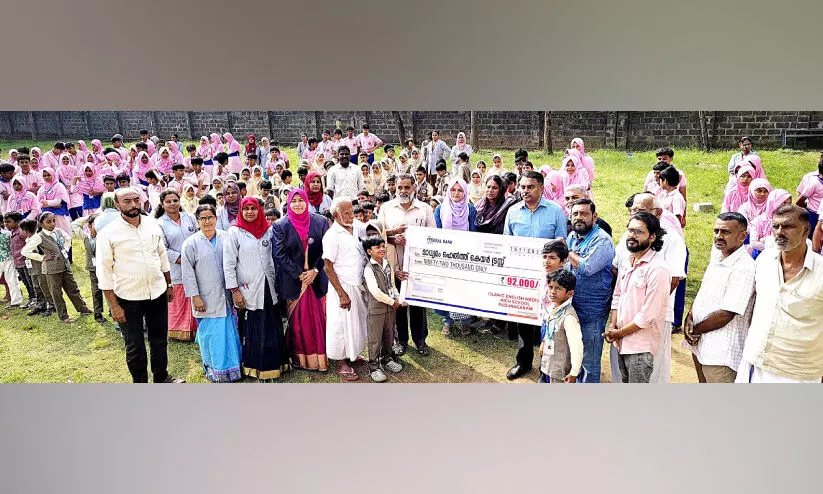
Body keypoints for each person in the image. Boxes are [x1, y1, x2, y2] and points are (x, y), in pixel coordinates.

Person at [96, 188, 183, 383]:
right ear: (117, 205)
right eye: (127, 201)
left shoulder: (152, 224)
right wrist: (114, 306)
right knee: (135, 345)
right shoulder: (108, 233)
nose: (133, 204)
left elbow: (162, 255)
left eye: (136, 199)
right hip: (128, 297)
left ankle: (161, 378)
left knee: (159, 340)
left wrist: (169, 284)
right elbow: (104, 271)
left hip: (157, 292)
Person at [736, 205, 823, 383]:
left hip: (798, 372)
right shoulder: (764, 260)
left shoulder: (820, 271)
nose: (780, 232)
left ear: (806, 230)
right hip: (756, 362)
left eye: (788, 226)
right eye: (776, 226)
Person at [503, 171, 568, 380]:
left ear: (541, 188)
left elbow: (562, 246)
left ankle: (545, 369)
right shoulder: (513, 211)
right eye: (522, 187)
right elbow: (506, 243)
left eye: (530, 187)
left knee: (548, 323)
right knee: (523, 319)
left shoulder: (556, 211)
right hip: (522, 277)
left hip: (549, 279)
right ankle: (523, 362)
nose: (525, 191)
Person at [683, 213, 756, 383]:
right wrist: (690, 316)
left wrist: (695, 331)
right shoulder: (717, 256)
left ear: (742, 236)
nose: (718, 236)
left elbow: (727, 314)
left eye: (726, 232)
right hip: (701, 346)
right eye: (716, 231)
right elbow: (703, 291)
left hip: (721, 353)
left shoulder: (744, 268)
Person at [224, 196, 287, 380]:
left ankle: (276, 364)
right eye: (246, 209)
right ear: (241, 211)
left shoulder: (268, 231)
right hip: (247, 288)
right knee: (253, 327)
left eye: (253, 208)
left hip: (268, 286)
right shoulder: (234, 232)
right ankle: (254, 366)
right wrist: (235, 291)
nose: (250, 212)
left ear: (259, 210)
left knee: (272, 325)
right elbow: (228, 264)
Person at [606, 212, 672, 383]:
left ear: (652, 237)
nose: (632, 235)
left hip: (640, 347)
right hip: (621, 342)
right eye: (630, 230)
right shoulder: (628, 262)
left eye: (639, 232)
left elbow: (648, 315)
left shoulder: (658, 269)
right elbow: (617, 296)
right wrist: (613, 325)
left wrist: (619, 332)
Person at [180, 204, 242, 383]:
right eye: (203, 218)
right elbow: (187, 273)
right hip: (205, 298)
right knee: (211, 335)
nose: (207, 221)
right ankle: (215, 369)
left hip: (227, 296)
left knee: (229, 333)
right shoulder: (190, 243)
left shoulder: (226, 237)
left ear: (216, 218)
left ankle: (234, 367)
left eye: (210, 217)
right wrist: (195, 296)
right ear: (197, 221)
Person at [378, 173, 436, 356]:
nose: (403, 191)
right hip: (395, 267)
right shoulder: (386, 208)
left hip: (417, 268)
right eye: (400, 187)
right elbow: (378, 236)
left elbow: (433, 237)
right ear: (395, 188)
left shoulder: (424, 209)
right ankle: (402, 340)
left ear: (414, 188)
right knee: (399, 306)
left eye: (407, 187)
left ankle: (420, 340)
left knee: (418, 306)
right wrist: (393, 239)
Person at [273, 188, 330, 372]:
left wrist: (315, 271)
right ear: (288, 203)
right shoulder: (280, 225)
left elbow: (327, 250)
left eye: (301, 200)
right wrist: (300, 274)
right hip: (294, 281)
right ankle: (300, 359)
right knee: (299, 322)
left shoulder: (320, 222)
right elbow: (279, 254)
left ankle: (322, 356)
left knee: (319, 319)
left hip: (316, 279)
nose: (298, 204)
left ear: (307, 201)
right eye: (294, 201)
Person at [565, 198, 615, 383]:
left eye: (584, 214)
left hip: (592, 309)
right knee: (574, 353)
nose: (579, 217)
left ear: (594, 216)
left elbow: (586, 268)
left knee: (589, 360)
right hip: (572, 305)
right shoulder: (572, 236)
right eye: (575, 214)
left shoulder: (602, 240)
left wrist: (567, 251)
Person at [323, 197, 369, 381]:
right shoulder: (331, 236)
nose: (351, 216)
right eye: (347, 213)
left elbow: (374, 230)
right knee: (340, 326)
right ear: (336, 215)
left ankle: (353, 354)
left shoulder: (355, 227)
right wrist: (341, 294)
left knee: (356, 322)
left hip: (357, 283)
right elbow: (327, 267)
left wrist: (393, 233)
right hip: (341, 287)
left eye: (352, 212)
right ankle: (341, 362)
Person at [21, 212, 92, 323]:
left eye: (54, 220)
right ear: (41, 224)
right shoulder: (39, 237)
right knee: (57, 293)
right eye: (48, 222)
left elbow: (68, 238)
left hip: (64, 265)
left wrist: (65, 250)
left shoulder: (58, 231)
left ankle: (83, 309)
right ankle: (64, 316)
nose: (52, 224)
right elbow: (25, 251)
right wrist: (42, 257)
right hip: (52, 269)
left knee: (73, 288)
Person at [433, 177, 478, 336]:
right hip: (446, 255)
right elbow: (437, 233)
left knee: (465, 288)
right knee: (447, 289)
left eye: (460, 190)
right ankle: (448, 320)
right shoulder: (440, 209)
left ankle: (466, 321)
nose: (456, 193)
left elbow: (473, 232)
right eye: (453, 190)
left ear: (465, 192)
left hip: (465, 256)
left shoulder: (470, 209)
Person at [156, 190, 199, 342]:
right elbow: (162, 248)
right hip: (176, 267)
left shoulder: (190, 217)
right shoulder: (159, 224)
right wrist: (182, 259)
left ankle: (196, 329)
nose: (172, 204)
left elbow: (199, 236)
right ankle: (178, 331)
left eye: (175, 200)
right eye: (168, 201)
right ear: (162, 204)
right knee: (180, 299)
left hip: (196, 263)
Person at [362, 234, 404, 382]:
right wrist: (392, 302)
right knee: (375, 339)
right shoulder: (369, 269)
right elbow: (376, 292)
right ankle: (374, 367)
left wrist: (398, 299)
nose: (381, 249)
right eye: (377, 247)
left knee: (389, 335)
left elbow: (392, 286)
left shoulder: (387, 264)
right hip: (376, 310)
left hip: (390, 309)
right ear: (369, 251)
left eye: (382, 246)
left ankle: (386, 359)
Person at [538, 269, 583, 384]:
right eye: (551, 287)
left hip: (561, 372)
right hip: (551, 365)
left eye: (558, 288)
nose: (552, 292)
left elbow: (577, 346)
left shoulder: (569, 317)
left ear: (570, 293)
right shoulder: (553, 308)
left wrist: (574, 373)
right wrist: (544, 342)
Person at [70, 213, 107, 323]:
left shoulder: (103, 235)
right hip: (92, 267)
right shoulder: (85, 236)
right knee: (96, 290)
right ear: (89, 225)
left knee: (109, 287)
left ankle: (112, 309)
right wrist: (89, 217)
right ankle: (98, 313)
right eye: (94, 224)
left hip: (104, 266)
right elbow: (74, 224)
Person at [18, 218, 54, 315]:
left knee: (44, 286)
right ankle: (40, 305)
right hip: (32, 267)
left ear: (25, 231)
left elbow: (27, 252)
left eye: (21, 230)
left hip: (40, 266)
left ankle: (52, 306)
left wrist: (41, 257)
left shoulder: (36, 238)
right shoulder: (28, 239)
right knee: (36, 286)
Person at [748, 189, 793, 256]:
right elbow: (753, 244)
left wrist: (765, 241)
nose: (787, 206)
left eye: (789, 203)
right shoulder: (758, 221)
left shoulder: (791, 220)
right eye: (784, 203)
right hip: (761, 255)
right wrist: (774, 249)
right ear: (773, 203)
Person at [795, 157, 823, 237]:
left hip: (821, 215)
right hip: (814, 215)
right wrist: (807, 209)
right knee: (812, 236)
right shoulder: (814, 182)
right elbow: (799, 201)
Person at [0, 220, 22, 309]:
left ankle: (16, 302)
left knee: (12, 280)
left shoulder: (8, 234)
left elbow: (13, 247)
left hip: (8, 259)